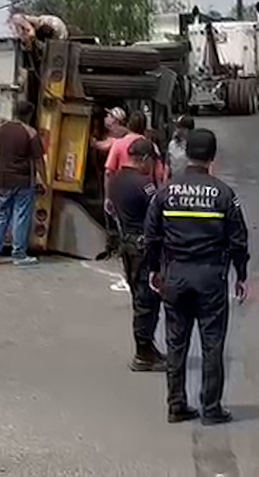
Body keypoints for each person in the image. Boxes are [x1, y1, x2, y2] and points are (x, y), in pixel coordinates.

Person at [143, 128, 250, 425]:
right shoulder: (224, 194)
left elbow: (151, 235)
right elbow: (238, 239)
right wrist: (241, 274)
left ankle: (176, 405)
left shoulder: (166, 192)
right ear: (213, 156)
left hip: (174, 276)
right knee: (212, 343)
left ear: (187, 153)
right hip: (210, 279)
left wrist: (154, 269)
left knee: (176, 343)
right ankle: (211, 408)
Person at [107, 138, 166, 372]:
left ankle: (148, 347)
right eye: (152, 161)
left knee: (140, 298)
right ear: (144, 159)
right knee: (147, 300)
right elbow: (158, 214)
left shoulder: (116, 181)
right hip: (143, 248)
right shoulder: (144, 184)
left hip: (127, 246)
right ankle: (143, 353)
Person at [0, 100, 45, 267]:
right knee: (21, 216)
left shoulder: (1, 129)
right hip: (24, 180)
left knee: (1, 215)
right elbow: (39, 159)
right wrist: (44, 181)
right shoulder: (30, 132)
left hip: (3, 179)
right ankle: (19, 254)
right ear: (28, 115)